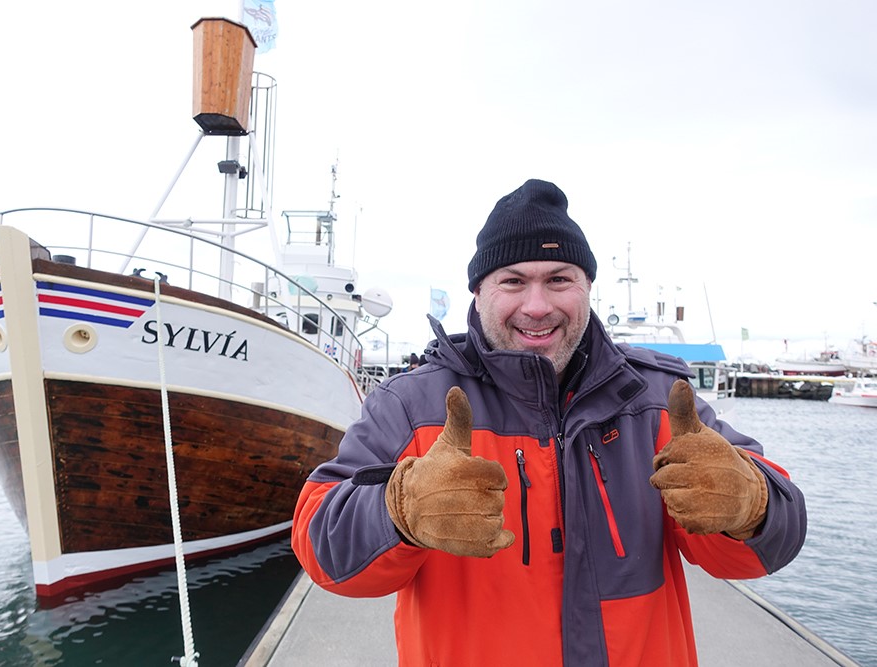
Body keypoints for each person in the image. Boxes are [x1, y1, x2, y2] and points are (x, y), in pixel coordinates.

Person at [291, 179, 807, 666]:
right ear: (479, 292)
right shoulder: (410, 403)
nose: (537, 307)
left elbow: (771, 543)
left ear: (586, 288)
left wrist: (751, 504)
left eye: (559, 280)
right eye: (513, 281)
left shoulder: (657, 402)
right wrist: (397, 510)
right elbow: (321, 547)